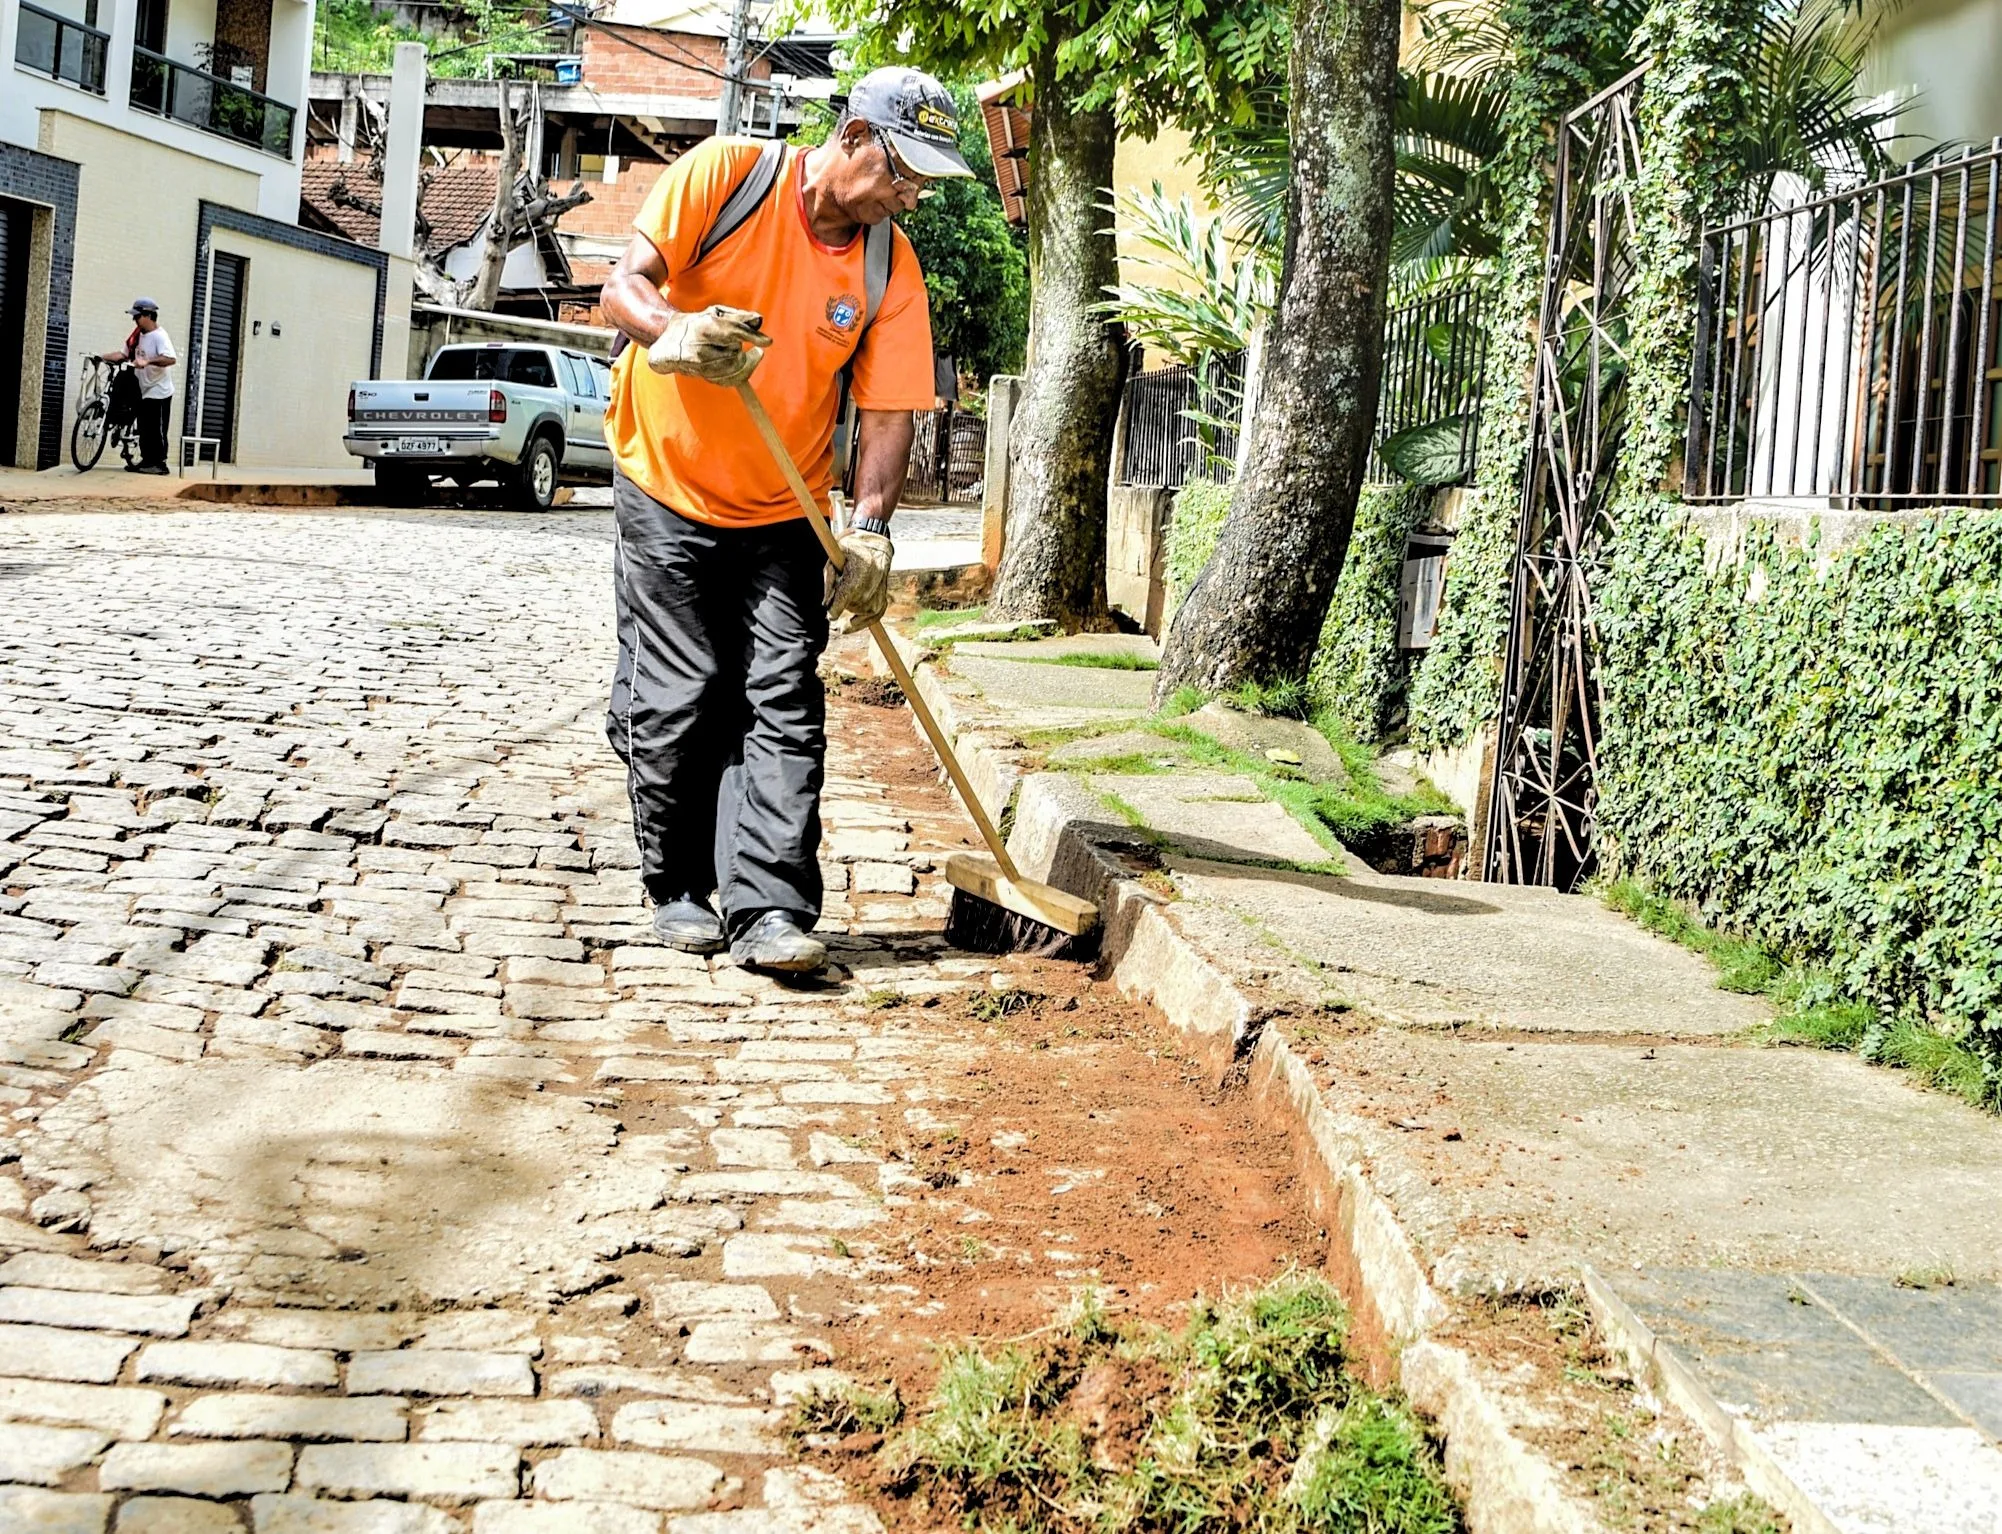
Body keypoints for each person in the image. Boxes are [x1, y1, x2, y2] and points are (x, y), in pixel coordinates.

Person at [600, 67, 973, 975]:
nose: (912, 195)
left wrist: (873, 528)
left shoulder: (888, 264)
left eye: (925, 180)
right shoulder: (726, 175)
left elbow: (888, 411)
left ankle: (767, 907)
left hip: (785, 502)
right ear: (851, 138)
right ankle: (679, 887)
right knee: (684, 690)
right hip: (667, 477)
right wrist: (672, 332)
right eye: (903, 172)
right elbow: (624, 285)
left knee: (782, 695)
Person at [101, 298, 176, 474]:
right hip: (142, 388)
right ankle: (146, 461)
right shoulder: (137, 334)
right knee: (144, 426)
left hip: (159, 389)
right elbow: (123, 354)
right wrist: (101, 356)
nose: (134, 320)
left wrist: (148, 361)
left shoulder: (160, 336)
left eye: (137, 316)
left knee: (156, 428)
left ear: (148, 315)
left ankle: (159, 464)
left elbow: (170, 359)